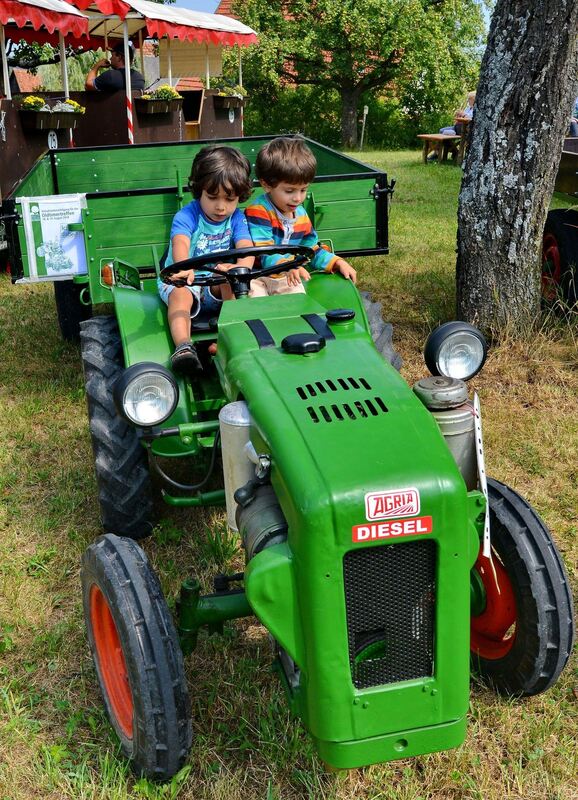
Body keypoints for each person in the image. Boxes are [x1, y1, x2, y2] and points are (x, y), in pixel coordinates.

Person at [159, 145, 254, 373]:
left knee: (231, 278)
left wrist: (241, 269)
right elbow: (180, 242)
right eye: (212, 197)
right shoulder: (187, 215)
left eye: (230, 199)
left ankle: (228, 340)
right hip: (185, 279)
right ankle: (183, 346)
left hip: (214, 282)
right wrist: (184, 267)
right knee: (180, 294)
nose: (221, 207)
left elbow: (246, 247)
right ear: (199, 190)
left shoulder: (237, 219)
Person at [244, 137, 357, 296]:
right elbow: (264, 253)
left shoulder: (301, 215)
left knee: (298, 299)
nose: (298, 198)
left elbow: (311, 250)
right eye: (289, 191)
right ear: (266, 185)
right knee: (255, 301)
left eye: (303, 190)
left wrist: (337, 262)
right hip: (257, 275)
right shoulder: (259, 211)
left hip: (288, 274)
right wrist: (289, 266)